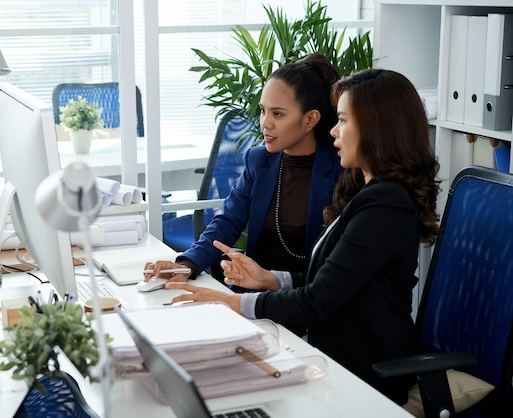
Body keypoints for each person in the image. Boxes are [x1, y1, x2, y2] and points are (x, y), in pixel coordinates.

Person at [164, 68, 441, 405]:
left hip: (362, 372)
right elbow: (330, 281)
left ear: (377, 128)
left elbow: (317, 300)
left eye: (343, 121)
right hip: (328, 349)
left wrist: (231, 303)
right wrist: (270, 278)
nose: (334, 131)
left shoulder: (385, 204)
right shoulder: (369, 191)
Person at [147, 54, 344, 288]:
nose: (265, 123)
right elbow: (227, 222)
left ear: (310, 119)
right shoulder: (259, 159)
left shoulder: (342, 170)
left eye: (277, 114)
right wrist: (187, 263)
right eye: (263, 111)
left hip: (306, 299)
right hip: (251, 293)